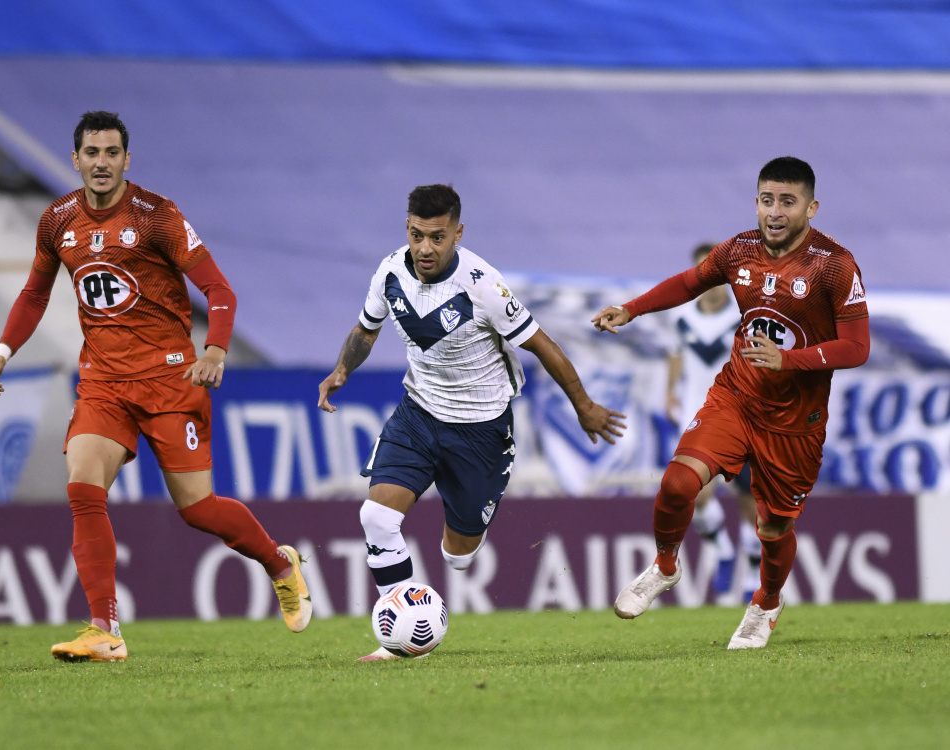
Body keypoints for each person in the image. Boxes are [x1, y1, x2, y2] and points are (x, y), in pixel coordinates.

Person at [0, 111, 311, 662]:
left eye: (111, 153)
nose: (101, 163)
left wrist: (216, 350)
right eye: (91, 152)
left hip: (170, 379)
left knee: (197, 508)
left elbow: (218, 290)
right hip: (104, 382)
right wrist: (1, 352)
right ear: (75, 157)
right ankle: (105, 629)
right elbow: (35, 294)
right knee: (83, 484)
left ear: (127, 160)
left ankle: (279, 562)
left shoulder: (157, 217)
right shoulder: (57, 220)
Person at [318, 184, 626, 661]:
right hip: (418, 414)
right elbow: (365, 328)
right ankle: (401, 643)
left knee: (457, 557)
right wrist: (342, 369)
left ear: (457, 233)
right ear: (407, 229)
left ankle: (452, 554)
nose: (425, 248)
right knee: (376, 517)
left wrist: (583, 405)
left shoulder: (484, 285)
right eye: (418, 235)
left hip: (481, 432)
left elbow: (542, 344)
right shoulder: (389, 272)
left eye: (438, 237)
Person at [593, 157, 869, 649]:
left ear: (811, 206)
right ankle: (664, 565)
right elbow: (688, 282)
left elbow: (857, 346)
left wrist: (790, 361)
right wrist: (631, 309)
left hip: (794, 422)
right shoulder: (739, 250)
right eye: (767, 200)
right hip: (736, 397)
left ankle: (765, 601)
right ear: (756, 202)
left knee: (773, 525)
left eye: (788, 201)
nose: (775, 211)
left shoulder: (834, 265)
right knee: (679, 482)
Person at [666, 243, 761, 605]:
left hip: (740, 415)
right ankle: (722, 550)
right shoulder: (682, 319)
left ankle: (752, 575)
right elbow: (675, 354)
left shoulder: (743, 315)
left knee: (749, 496)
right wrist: (669, 392)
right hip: (697, 415)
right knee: (696, 491)